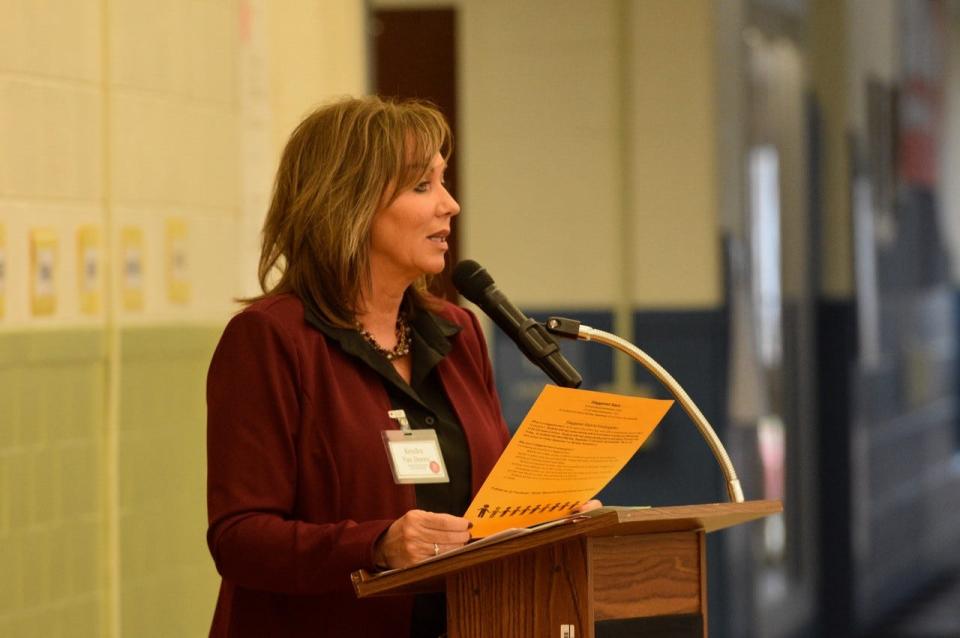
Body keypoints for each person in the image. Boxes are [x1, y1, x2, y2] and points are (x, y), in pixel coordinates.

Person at [205, 96, 511, 637]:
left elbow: (491, 504)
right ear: (350, 203)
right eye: (424, 186)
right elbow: (240, 537)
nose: (450, 204)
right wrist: (376, 545)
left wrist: (551, 515)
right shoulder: (272, 339)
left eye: (444, 180)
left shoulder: (459, 333)